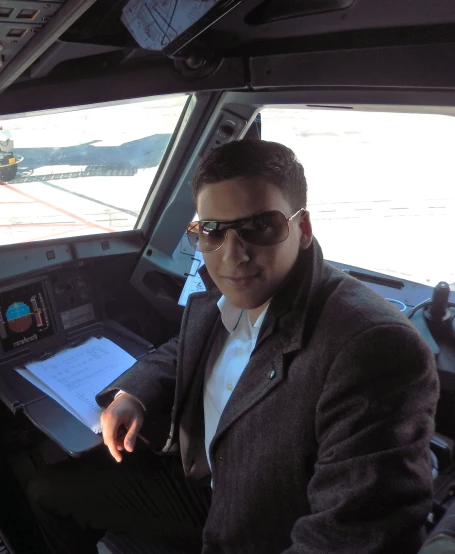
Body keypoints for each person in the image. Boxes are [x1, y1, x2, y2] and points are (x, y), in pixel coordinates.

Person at [28, 140, 439, 554]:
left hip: (261, 524)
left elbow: (354, 535)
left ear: (304, 229)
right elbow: (187, 347)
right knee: (46, 489)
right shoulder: (229, 291)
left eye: (260, 226)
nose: (232, 255)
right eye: (213, 230)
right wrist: (132, 392)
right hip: (201, 476)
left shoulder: (372, 348)